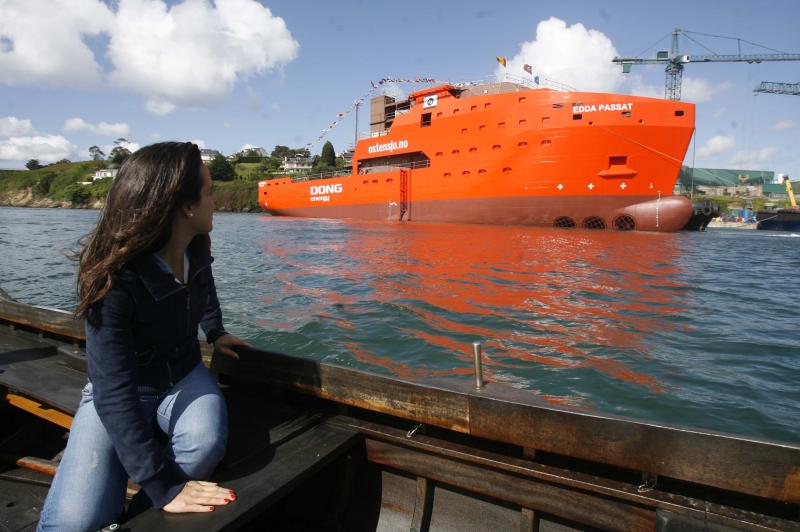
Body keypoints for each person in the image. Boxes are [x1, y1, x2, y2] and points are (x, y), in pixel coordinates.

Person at [37, 142, 250, 531]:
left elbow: (206, 287)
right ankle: (130, 474)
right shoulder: (112, 280)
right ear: (186, 207)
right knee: (73, 521)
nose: (215, 199)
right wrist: (166, 487)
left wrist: (216, 332)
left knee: (204, 445)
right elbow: (113, 390)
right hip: (126, 387)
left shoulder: (195, 247)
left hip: (184, 373)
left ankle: (137, 509)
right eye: (209, 191)